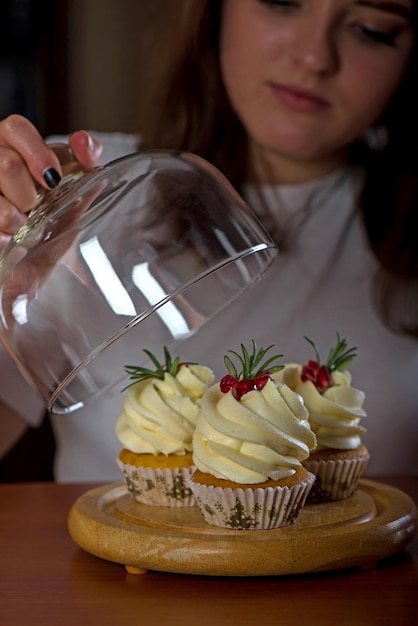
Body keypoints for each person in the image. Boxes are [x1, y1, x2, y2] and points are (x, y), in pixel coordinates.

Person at [0, 0, 417, 481]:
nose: (314, 57)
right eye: (282, 3)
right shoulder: (71, 194)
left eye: (372, 30)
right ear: (215, 12)